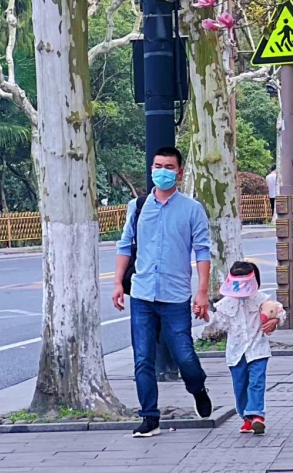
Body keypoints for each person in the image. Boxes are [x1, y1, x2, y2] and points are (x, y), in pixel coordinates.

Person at [113, 145, 213, 439]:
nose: (162, 172)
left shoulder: (192, 209)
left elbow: (202, 251)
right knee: (143, 358)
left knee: (184, 355)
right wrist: (118, 283)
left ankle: (197, 387)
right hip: (142, 294)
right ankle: (149, 417)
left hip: (175, 296)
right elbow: (125, 245)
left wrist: (202, 292)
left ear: (179, 172)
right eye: (158, 166)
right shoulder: (138, 206)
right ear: (151, 169)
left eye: (168, 167)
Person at [213, 260, 284, 435]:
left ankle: (257, 415)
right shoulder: (225, 304)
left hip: (257, 349)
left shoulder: (262, 300)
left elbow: (278, 311)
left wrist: (275, 321)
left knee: (257, 382)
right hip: (236, 353)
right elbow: (220, 325)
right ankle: (246, 417)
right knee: (240, 386)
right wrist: (208, 316)